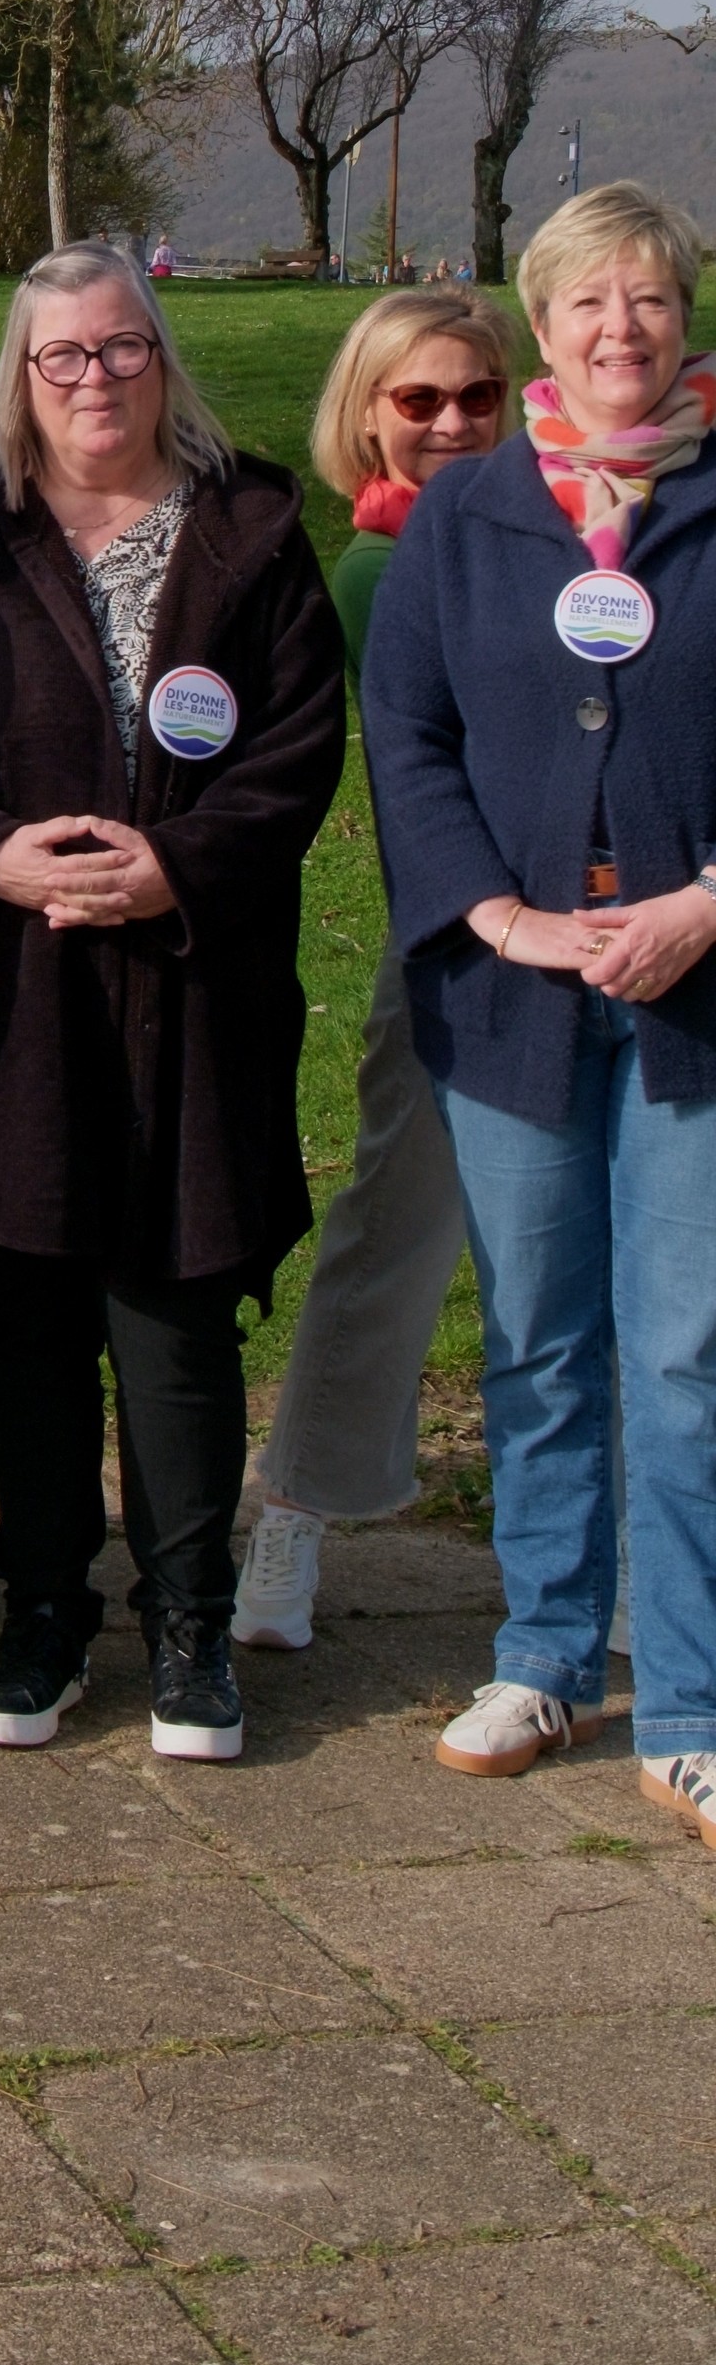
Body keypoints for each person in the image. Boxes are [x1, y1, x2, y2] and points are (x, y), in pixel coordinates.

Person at [0, 239, 346, 1761]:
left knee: (179, 1313)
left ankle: (191, 1629)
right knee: (33, 1314)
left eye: (122, 348)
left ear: (162, 355)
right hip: (15, 997)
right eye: (62, 355)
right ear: (21, 369)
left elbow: (295, 754)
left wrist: (179, 868)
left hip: (191, 988)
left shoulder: (254, 522)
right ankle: (44, 1614)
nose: (94, 380)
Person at [364, 179, 716, 1833]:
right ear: (542, 320)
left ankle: (693, 1693)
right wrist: (495, 917)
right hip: (513, 1002)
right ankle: (547, 1652)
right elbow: (409, 742)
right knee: (538, 1342)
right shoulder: (467, 517)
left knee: (691, 1351)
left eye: (649, 298)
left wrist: (706, 905)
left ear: (685, 315)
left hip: (695, 994)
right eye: (588, 302)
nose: (621, 328)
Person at [232, 287, 516, 1649]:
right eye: (420, 401)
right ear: (366, 418)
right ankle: (293, 1508)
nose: (453, 423)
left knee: (599, 1272)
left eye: (480, 398)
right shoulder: (381, 564)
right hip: (463, 955)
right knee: (396, 1236)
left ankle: (613, 1540)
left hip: (621, 948)